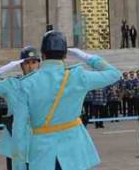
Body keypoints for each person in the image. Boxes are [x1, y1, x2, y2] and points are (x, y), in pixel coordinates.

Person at [10, 30, 121, 170]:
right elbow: (114, 74)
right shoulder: (78, 77)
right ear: (65, 55)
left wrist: (18, 165)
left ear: (43, 55)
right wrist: (86, 57)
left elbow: (18, 129)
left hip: (42, 154)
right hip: (74, 153)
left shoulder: (26, 84)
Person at [0, 46, 43, 169]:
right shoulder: (12, 84)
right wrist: (3, 69)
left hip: (38, 143)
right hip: (16, 143)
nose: (31, 66)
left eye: (34, 62)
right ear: (21, 66)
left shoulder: (46, 84)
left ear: (39, 64)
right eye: (27, 63)